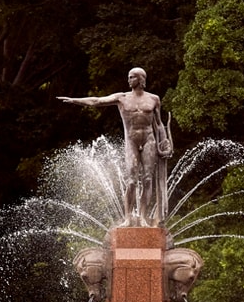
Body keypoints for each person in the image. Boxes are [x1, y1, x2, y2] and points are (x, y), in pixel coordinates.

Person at [58, 67, 173, 226]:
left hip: (149, 140)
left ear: (140, 79)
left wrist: (165, 141)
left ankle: (142, 217)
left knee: (147, 179)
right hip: (131, 140)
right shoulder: (122, 98)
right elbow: (97, 101)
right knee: (131, 181)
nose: (129, 80)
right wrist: (74, 100)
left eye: (132, 77)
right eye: (129, 77)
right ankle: (127, 217)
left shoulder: (154, 99)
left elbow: (159, 124)